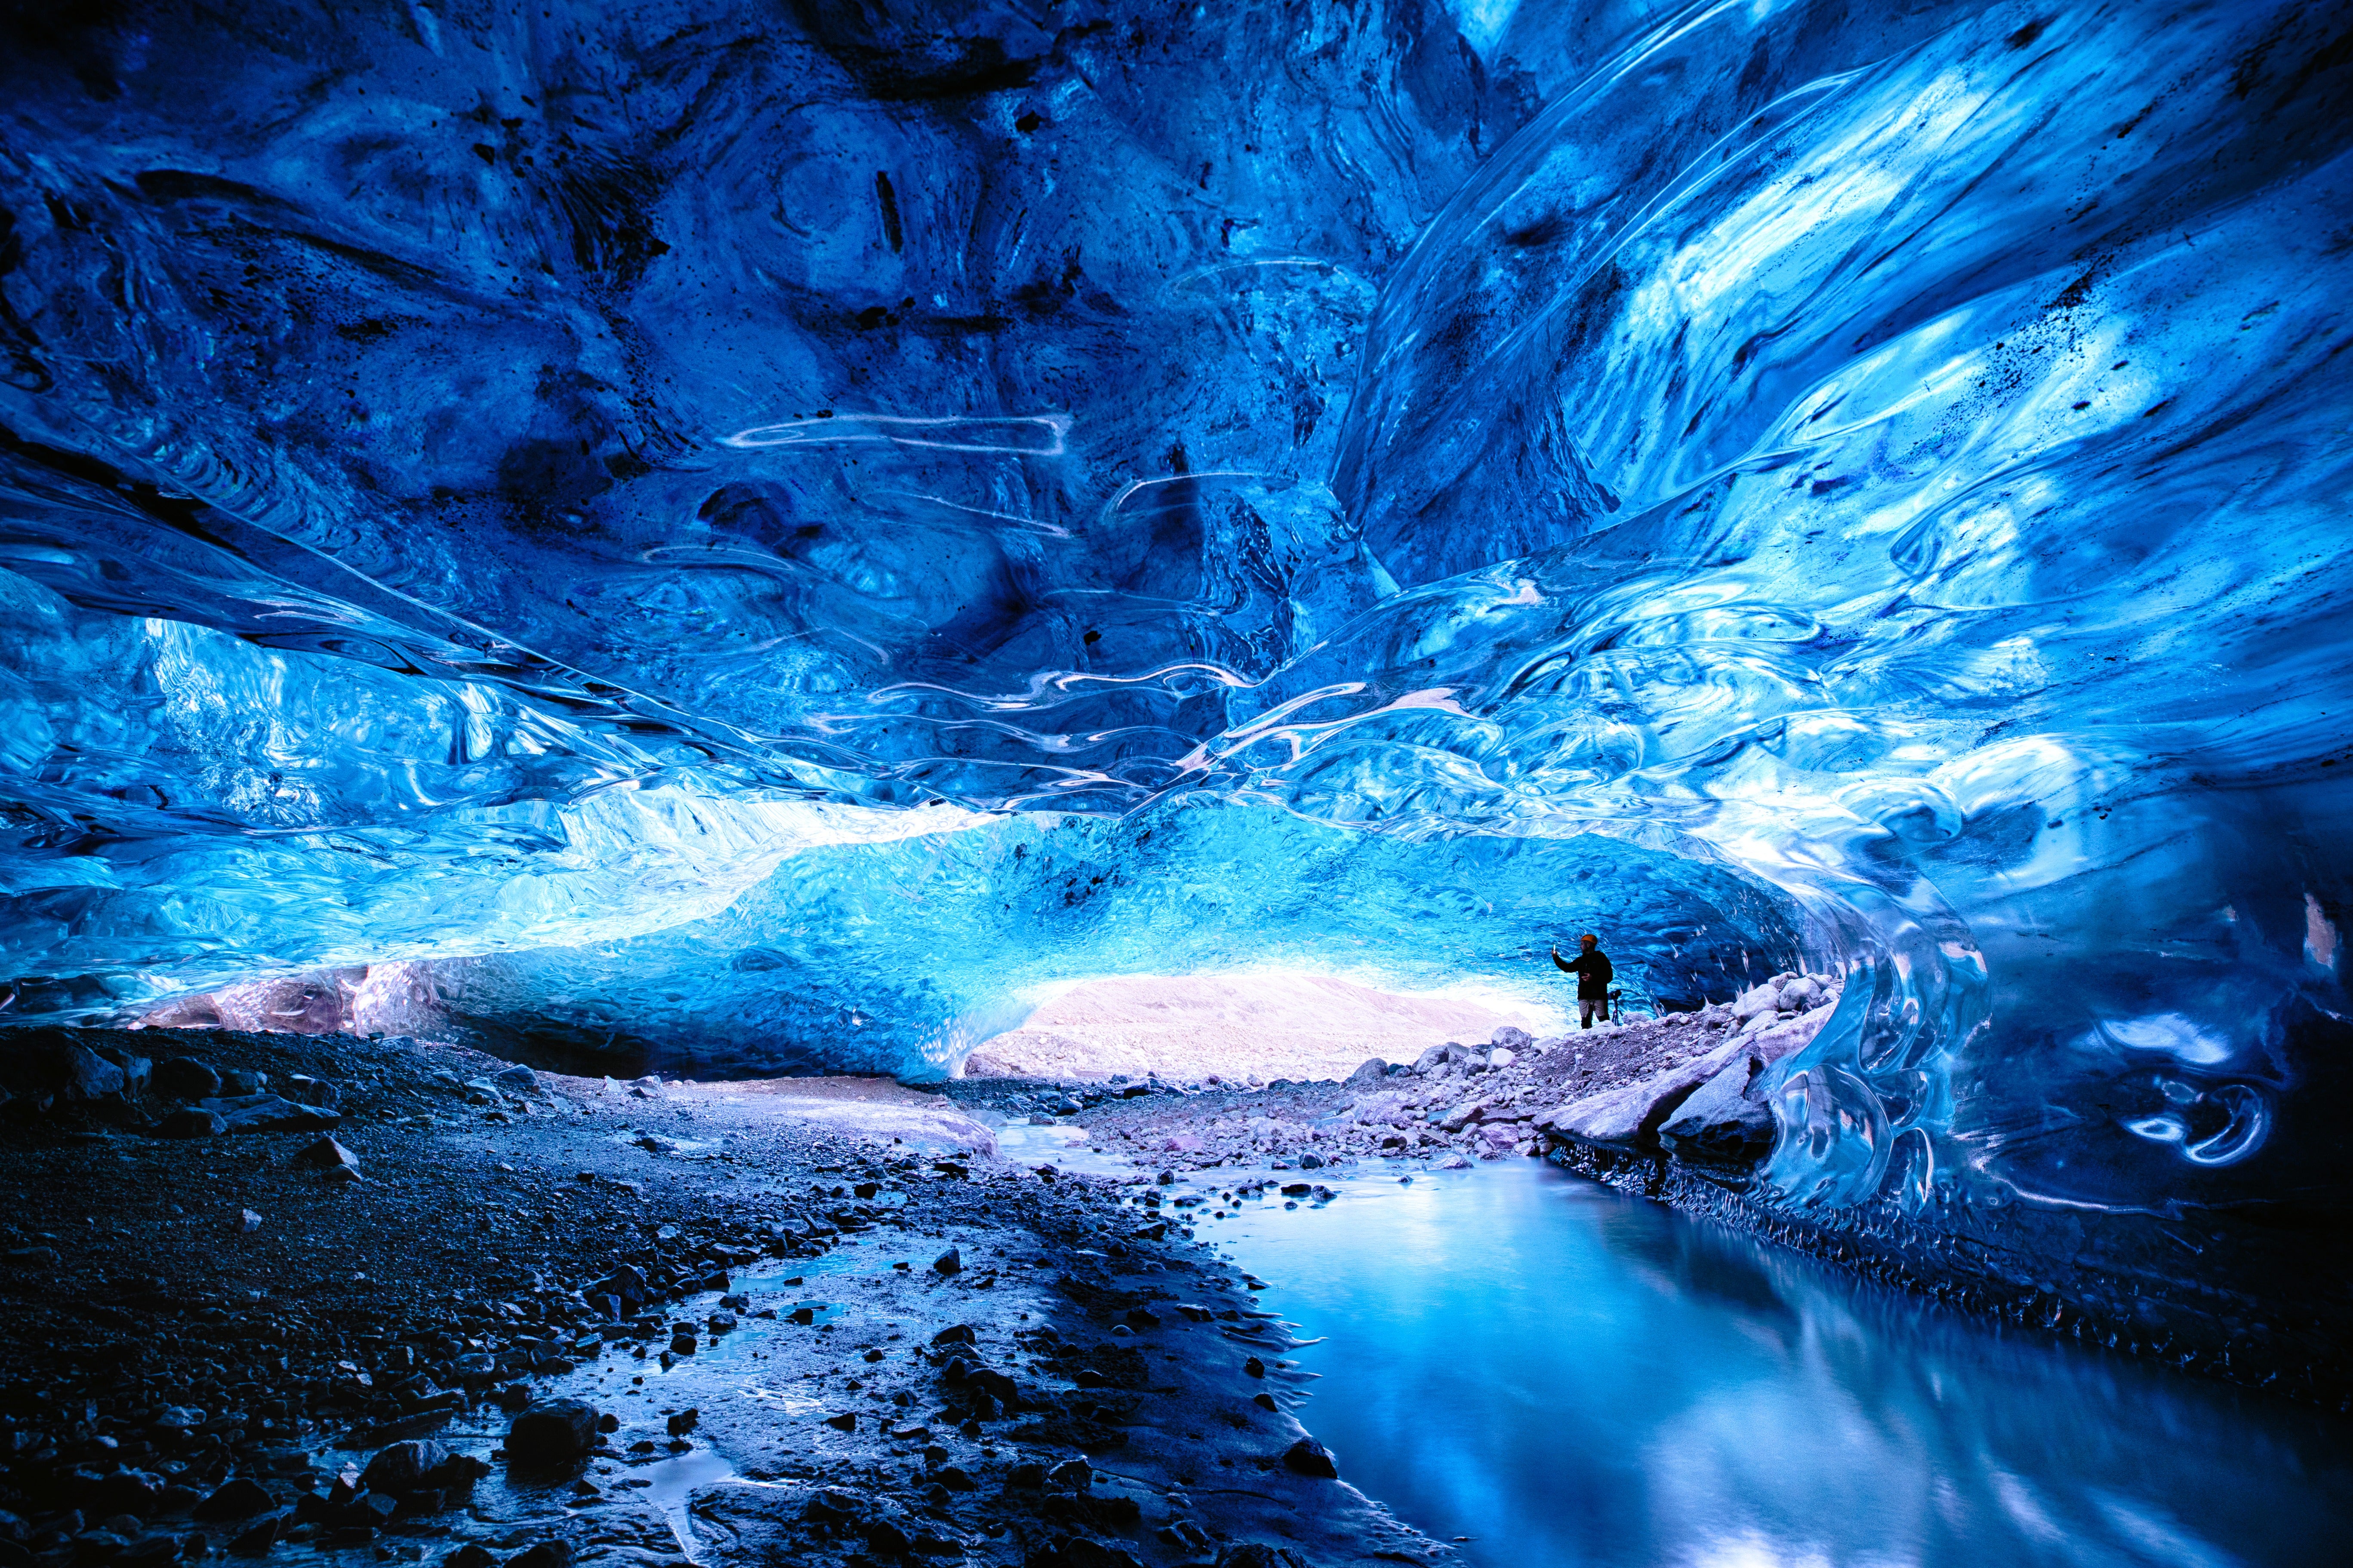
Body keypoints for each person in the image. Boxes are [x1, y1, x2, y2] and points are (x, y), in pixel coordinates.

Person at [1552, 934, 1614, 1028]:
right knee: (1585, 1024)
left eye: (1582, 944)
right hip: (1584, 997)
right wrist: (1556, 957)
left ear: (1588, 945)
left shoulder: (1602, 959)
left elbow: (1609, 977)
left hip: (1599, 997)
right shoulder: (1581, 960)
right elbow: (1567, 968)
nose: (1580, 946)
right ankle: (1587, 1043)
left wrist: (1593, 978)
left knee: (1604, 1022)